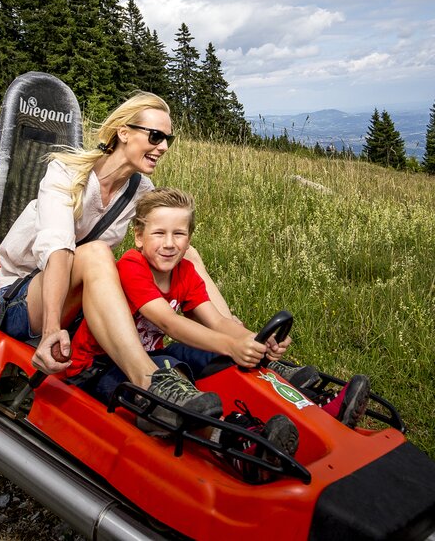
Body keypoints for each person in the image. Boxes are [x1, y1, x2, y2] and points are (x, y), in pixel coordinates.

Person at [0, 92, 222, 422]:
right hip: (23, 302)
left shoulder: (141, 189)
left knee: (186, 252)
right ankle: (148, 378)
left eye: (168, 139)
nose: (164, 147)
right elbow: (59, 250)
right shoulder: (65, 173)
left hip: (79, 301)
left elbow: (152, 242)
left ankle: (239, 340)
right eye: (155, 136)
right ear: (124, 133)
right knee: (97, 253)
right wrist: (51, 331)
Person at [67, 187, 300, 462]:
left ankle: (305, 400)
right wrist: (232, 344)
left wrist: (255, 340)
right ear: (139, 237)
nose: (169, 243)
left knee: (212, 354)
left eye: (179, 234)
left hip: (150, 356)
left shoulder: (185, 272)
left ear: (189, 239)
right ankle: (235, 438)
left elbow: (217, 322)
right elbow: (169, 323)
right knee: (171, 365)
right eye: (159, 233)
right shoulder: (132, 266)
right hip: (99, 367)